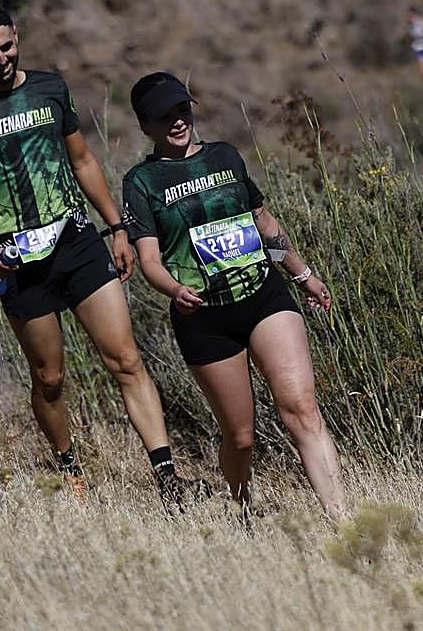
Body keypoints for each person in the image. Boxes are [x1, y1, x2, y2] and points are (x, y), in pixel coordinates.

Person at [0, 0, 205, 506]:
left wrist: (119, 226)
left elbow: (82, 161)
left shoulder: (49, 88)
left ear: (17, 36)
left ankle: (168, 480)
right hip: (17, 260)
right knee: (50, 378)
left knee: (126, 358)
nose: (2, 59)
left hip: (75, 241)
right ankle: (70, 468)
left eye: (8, 46)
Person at [121, 72, 350, 521]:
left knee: (302, 410)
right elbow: (148, 259)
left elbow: (264, 222)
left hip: (264, 295)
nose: (177, 121)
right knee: (241, 437)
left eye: (182, 109)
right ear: (145, 124)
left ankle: (344, 523)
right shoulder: (141, 182)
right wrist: (174, 288)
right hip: (205, 317)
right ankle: (242, 505)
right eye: (163, 116)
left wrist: (303, 275)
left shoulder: (226, 157)